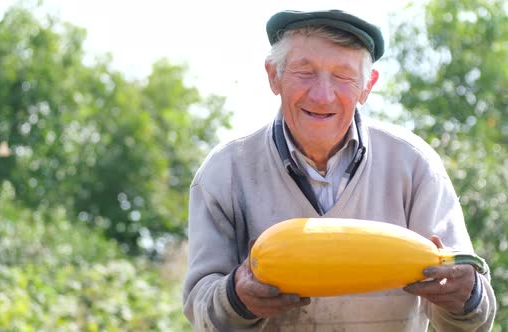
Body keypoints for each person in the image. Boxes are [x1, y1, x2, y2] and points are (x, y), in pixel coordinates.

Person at [182, 9, 496, 332]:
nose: (322, 95)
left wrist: (467, 297)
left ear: (367, 86)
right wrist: (236, 297)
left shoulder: (415, 166)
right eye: (305, 72)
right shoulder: (224, 173)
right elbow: (201, 310)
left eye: (343, 76)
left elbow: (472, 320)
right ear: (273, 75)